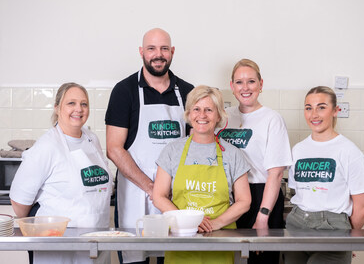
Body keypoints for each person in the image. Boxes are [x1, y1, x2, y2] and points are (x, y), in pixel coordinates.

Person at [105, 28, 194, 264]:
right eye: (152, 48)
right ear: (141, 52)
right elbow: (114, 148)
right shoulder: (124, 91)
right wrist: (153, 188)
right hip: (135, 196)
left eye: (164, 48)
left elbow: (197, 144)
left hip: (178, 198)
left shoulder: (188, 92)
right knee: (136, 257)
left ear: (172, 52)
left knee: (176, 259)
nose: (158, 54)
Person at [10, 82, 113, 264]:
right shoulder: (47, 146)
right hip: (60, 248)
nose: (78, 109)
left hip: (97, 241)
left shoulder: (92, 139)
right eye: (71, 103)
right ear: (57, 108)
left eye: (84, 104)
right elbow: (19, 203)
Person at [153, 85, 251, 264]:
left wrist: (215, 223)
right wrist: (186, 222)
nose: (202, 115)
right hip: (181, 238)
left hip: (221, 240)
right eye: (196, 109)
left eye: (209, 110)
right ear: (189, 114)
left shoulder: (233, 153)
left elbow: (244, 201)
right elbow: (158, 196)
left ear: (219, 115)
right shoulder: (172, 151)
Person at [285, 86, 364, 264]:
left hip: (333, 227)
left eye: (322, 107)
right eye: (309, 108)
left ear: (335, 111)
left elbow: (363, 207)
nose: (314, 114)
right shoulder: (298, 150)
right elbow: (300, 193)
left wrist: (347, 237)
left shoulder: (349, 151)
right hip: (297, 224)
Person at [218, 59, 292, 263]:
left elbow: (276, 173)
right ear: (232, 86)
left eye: (251, 81)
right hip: (229, 197)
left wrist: (263, 216)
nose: (245, 87)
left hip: (261, 196)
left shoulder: (271, 119)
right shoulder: (223, 117)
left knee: (260, 259)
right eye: (239, 82)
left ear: (261, 84)